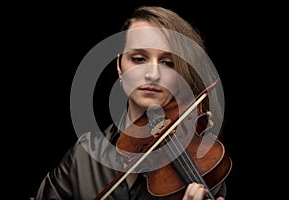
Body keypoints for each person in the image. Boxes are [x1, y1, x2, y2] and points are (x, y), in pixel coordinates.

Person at [34, 6, 231, 200]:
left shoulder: (204, 161)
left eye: (168, 63)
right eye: (138, 59)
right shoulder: (86, 155)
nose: (153, 74)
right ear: (120, 65)